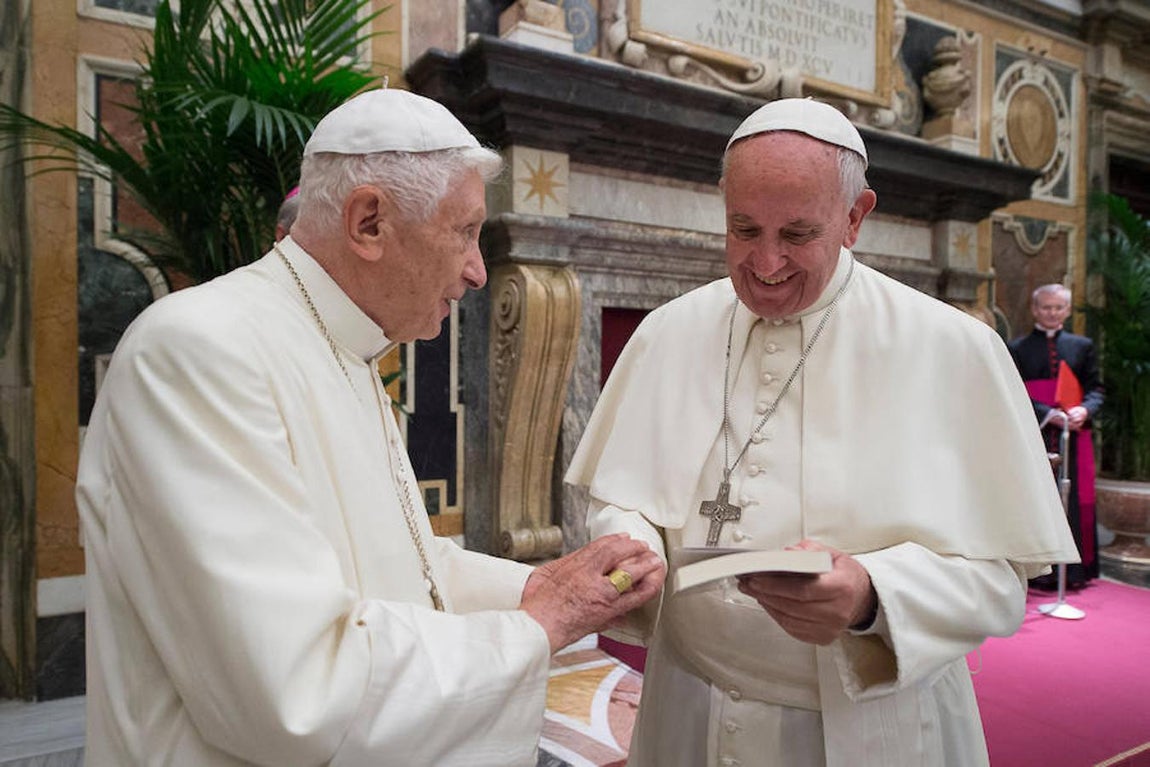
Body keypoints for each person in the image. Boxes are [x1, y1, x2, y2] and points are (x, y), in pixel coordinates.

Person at [76, 88, 665, 767]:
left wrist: (532, 588)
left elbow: (399, 567)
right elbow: (292, 689)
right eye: (466, 230)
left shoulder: (347, 348)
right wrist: (540, 622)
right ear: (369, 222)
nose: (477, 271)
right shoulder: (197, 351)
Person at [565, 98, 1079, 766]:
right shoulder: (670, 330)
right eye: (743, 228)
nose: (766, 261)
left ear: (856, 217)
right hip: (686, 707)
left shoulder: (953, 349)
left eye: (798, 234)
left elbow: (1003, 581)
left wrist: (870, 595)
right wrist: (630, 541)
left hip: (866, 731)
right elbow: (622, 492)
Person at [1009, 283, 1104, 589]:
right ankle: (1039, 572)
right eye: (1046, 307)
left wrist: (1084, 411)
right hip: (1034, 432)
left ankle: (1074, 573)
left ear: (1067, 310)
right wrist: (1048, 414)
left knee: (1074, 500)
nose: (1052, 313)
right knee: (1036, 498)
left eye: (1058, 307)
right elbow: (1013, 390)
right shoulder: (1017, 348)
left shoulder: (1082, 345)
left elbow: (1096, 389)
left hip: (1074, 436)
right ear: (1035, 309)